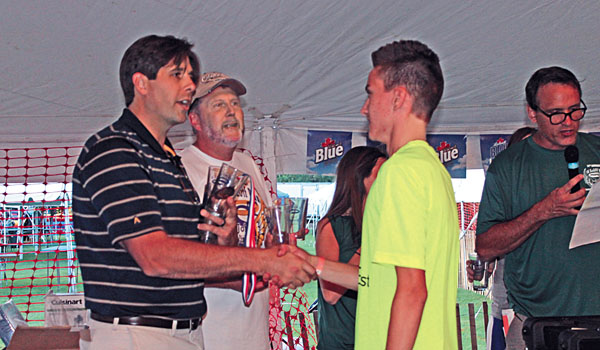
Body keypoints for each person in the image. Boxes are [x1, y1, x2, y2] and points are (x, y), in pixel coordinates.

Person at [73, 35, 315, 350]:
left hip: (182, 332)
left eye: (190, 76)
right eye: (177, 75)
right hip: (136, 334)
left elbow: (195, 254)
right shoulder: (115, 150)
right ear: (141, 84)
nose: (188, 85)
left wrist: (223, 236)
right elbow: (155, 257)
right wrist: (264, 261)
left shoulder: (167, 159)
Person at [475, 66, 600, 349]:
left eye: (575, 110)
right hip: (538, 323)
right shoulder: (507, 167)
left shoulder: (597, 152)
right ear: (532, 113)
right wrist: (544, 210)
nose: (568, 122)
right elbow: (485, 247)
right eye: (556, 113)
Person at [355, 40, 459, 349]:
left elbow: (413, 291)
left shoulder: (400, 172)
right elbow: (377, 279)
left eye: (370, 93)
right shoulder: (432, 169)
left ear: (398, 97)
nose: (364, 108)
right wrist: (315, 265)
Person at [179, 72, 272, 350]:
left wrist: (278, 249)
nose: (231, 111)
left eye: (235, 103)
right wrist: (230, 279)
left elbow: (261, 232)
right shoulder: (179, 169)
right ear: (194, 119)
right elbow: (169, 262)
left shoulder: (249, 164)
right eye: (218, 105)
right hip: (209, 335)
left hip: (255, 333)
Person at [467, 127, 536, 350]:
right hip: (506, 309)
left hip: (548, 311)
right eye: (522, 151)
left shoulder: (557, 198)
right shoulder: (501, 200)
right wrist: (481, 267)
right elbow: (485, 260)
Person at [315, 146, 387, 350]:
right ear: (360, 177)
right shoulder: (331, 226)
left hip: (376, 338)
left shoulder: (385, 224)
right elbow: (330, 294)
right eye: (381, 173)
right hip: (342, 341)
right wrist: (367, 243)